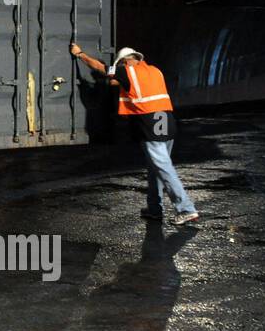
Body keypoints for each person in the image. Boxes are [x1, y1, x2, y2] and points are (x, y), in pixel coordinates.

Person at [70, 42, 199, 227]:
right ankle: (155, 209)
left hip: (150, 123)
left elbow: (100, 68)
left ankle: (186, 208)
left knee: (163, 167)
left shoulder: (126, 71)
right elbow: (118, 82)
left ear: (124, 62)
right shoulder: (154, 70)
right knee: (157, 167)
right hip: (166, 119)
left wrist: (80, 54)